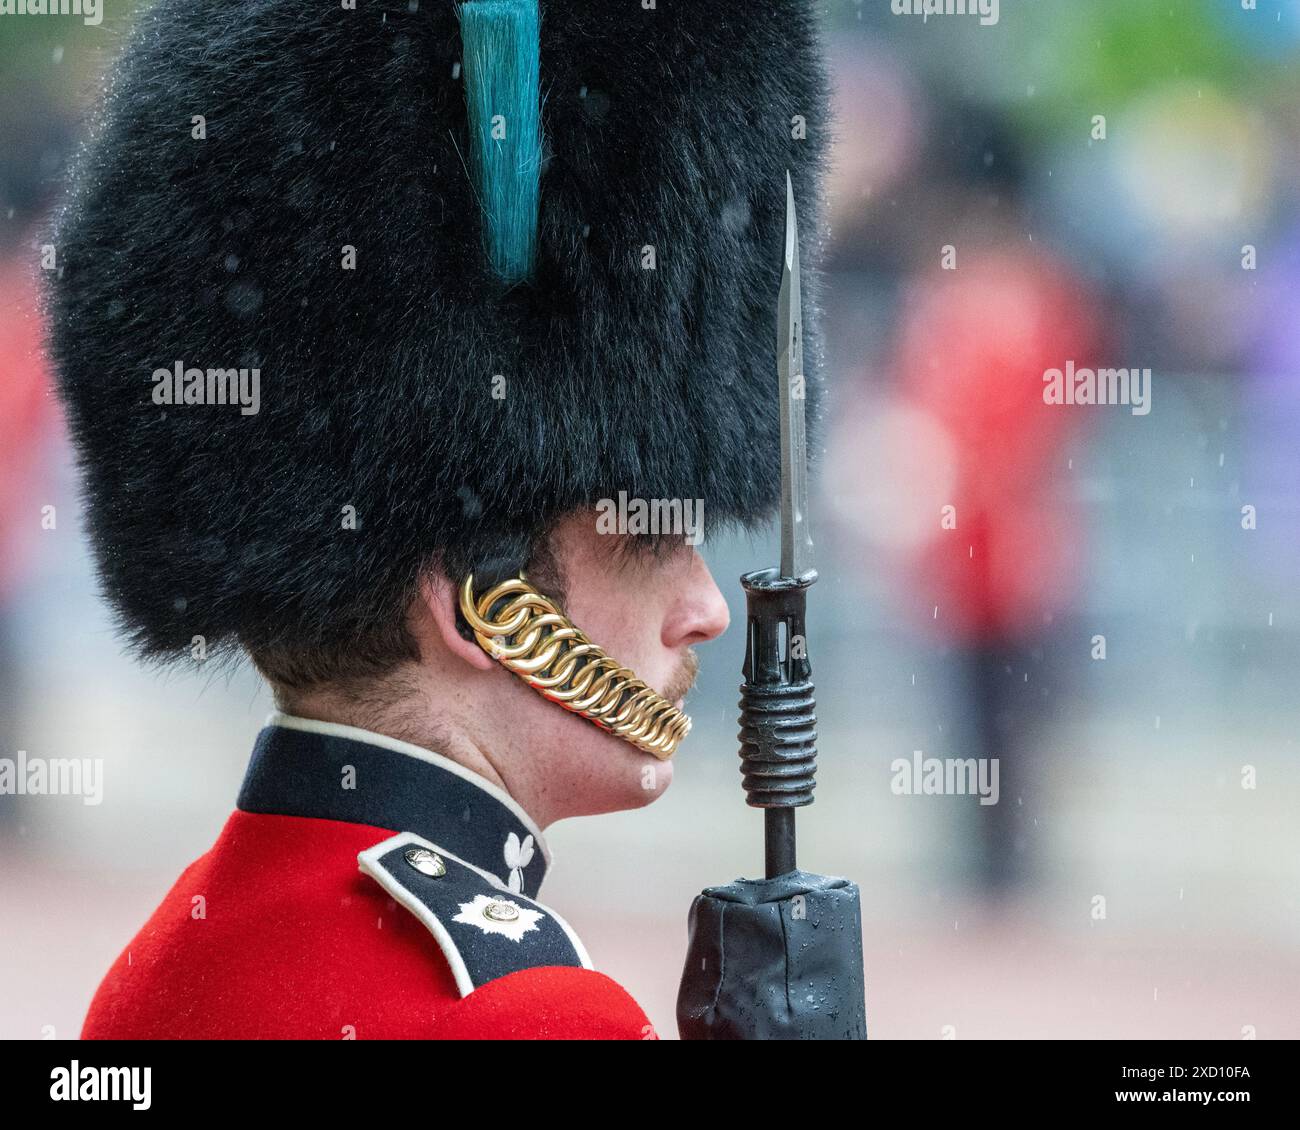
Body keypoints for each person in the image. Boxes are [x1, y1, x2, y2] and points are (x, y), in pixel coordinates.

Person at [47, 0, 828, 1038]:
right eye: (647, 536)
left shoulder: (159, 965)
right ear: (478, 597)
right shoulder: (530, 1012)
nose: (704, 607)